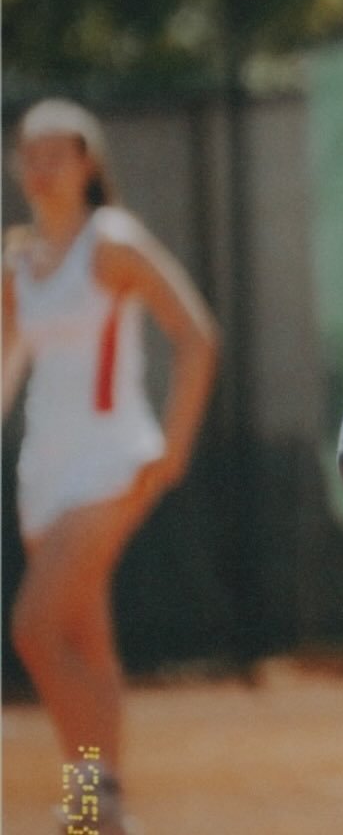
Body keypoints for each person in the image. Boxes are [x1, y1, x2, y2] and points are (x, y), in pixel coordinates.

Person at [2, 98, 219, 834]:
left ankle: (95, 803)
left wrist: (173, 449)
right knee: (85, 647)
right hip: (42, 474)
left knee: (34, 631)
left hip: (110, 464)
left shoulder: (112, 241)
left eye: (54, 153)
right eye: (28, 154)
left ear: (86, 161)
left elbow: (197, 335)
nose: (39, 167)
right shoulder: (19, 263)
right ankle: (99, 813)